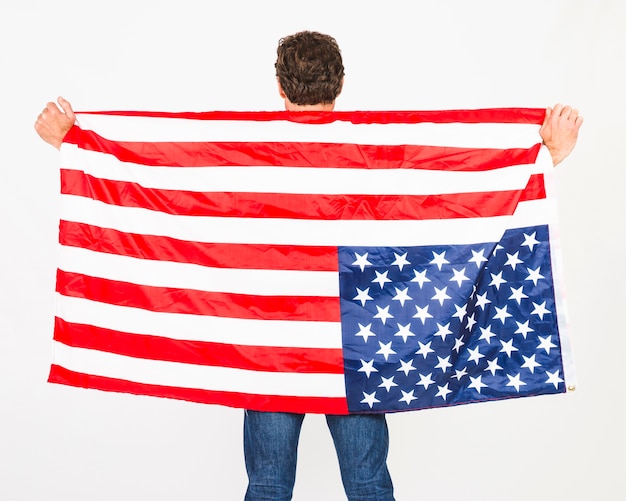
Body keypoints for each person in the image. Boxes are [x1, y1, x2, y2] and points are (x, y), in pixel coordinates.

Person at [34, 31, 582, 501]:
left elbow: (168, 192)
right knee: (368, 484)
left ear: (279, 86)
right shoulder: (379, 152)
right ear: (340, 84)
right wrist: (545, 156)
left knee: (269, 486)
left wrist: (72, 144)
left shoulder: (242, 155)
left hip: (270, 351)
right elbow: (451, 199)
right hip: (361, 352)